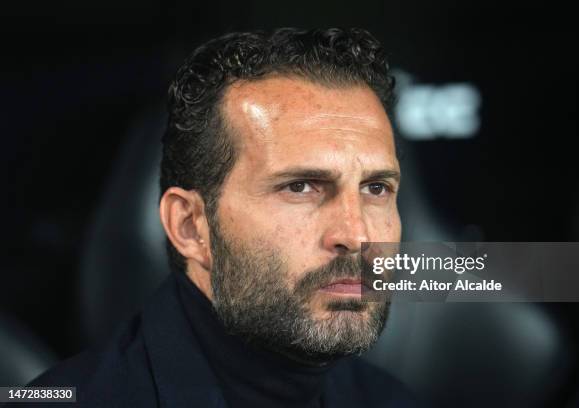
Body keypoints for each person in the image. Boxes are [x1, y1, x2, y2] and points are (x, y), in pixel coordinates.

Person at [10, 28, 418, 407]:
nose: (357, 233)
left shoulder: (391, 398)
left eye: (376, 188)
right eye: (300, 187)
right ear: (189, 226)